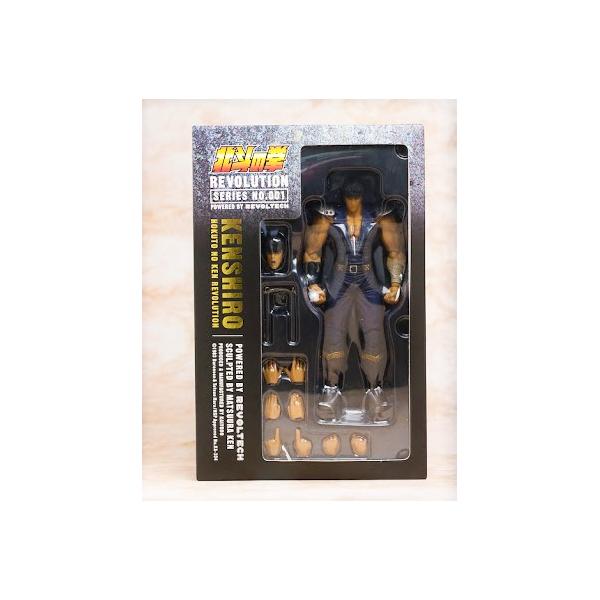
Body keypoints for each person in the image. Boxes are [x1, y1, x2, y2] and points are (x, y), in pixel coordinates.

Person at [303, 180, 406, 421]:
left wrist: (395, 283)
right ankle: (331, 389)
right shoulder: (328, 216)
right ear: (343, 196)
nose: (352, 201)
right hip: (338, 282)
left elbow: (395, 251)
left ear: (362, 197)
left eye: (356, 197)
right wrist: (312, 282)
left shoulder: (379, 215)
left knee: (374, 335)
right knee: (333, 334)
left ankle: (375, 390)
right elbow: (312, 252)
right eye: (349, 196)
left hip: (369, 282)